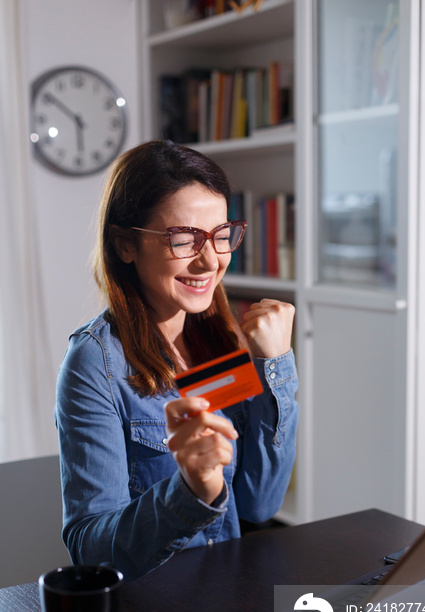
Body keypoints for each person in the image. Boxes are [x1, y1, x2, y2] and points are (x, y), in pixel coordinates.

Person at [55, 140, 298, 581]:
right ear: (126, 245)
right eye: (184, 239)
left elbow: (260, 502)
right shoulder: (95, 363)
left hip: (223, 591)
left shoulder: (217, 337)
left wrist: (276, 368)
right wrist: (189, 490)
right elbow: (91, 552)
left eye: (222, 235)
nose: (210, 260)